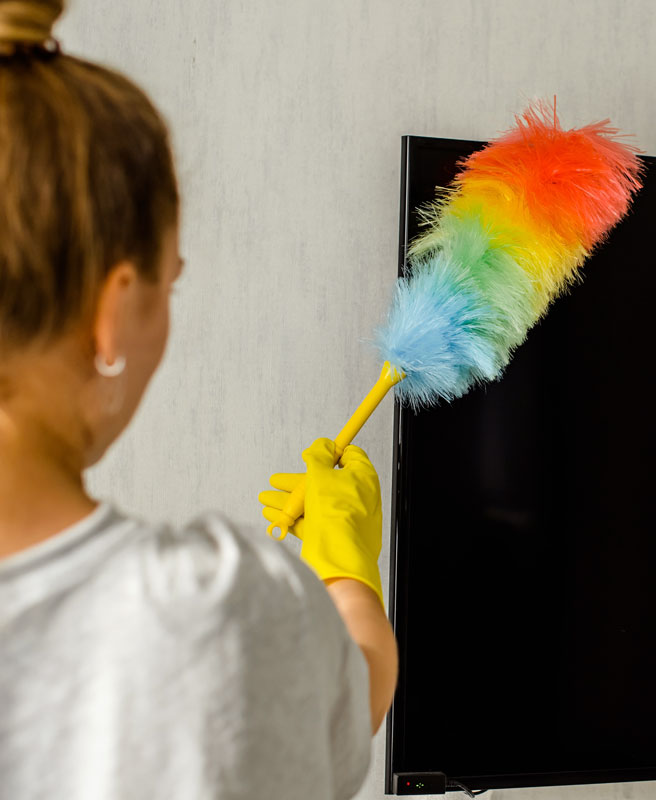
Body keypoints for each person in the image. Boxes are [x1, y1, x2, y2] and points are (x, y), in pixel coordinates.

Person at [0, 2, 398, 797]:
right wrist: (349, 573)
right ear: (110, 314)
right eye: (168, 281)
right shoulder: (207, 611)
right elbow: (347, 702)